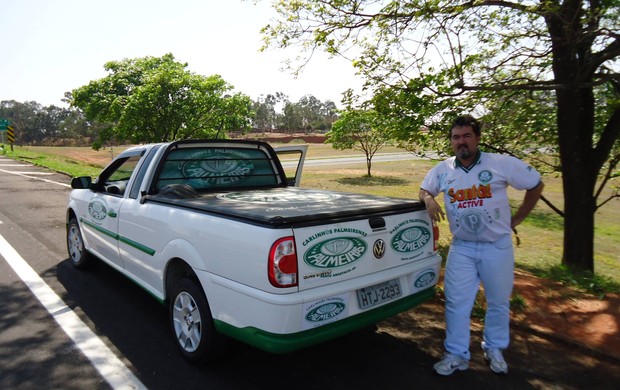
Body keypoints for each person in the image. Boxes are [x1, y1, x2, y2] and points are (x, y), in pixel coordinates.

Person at [419, 115, 544, 376]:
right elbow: (424, 189)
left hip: (496, 246)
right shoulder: (443, 169)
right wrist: (429, 199)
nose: (461, 142)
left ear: (477, 138)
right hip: (462, 247)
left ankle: (494, 348)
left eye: (466, 136)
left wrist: (518, 217)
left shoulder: (500, 163)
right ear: (451, 141)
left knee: (498, 302)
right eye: (456, 137)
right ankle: (456, 354)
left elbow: (536, 184)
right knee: (456, 302)